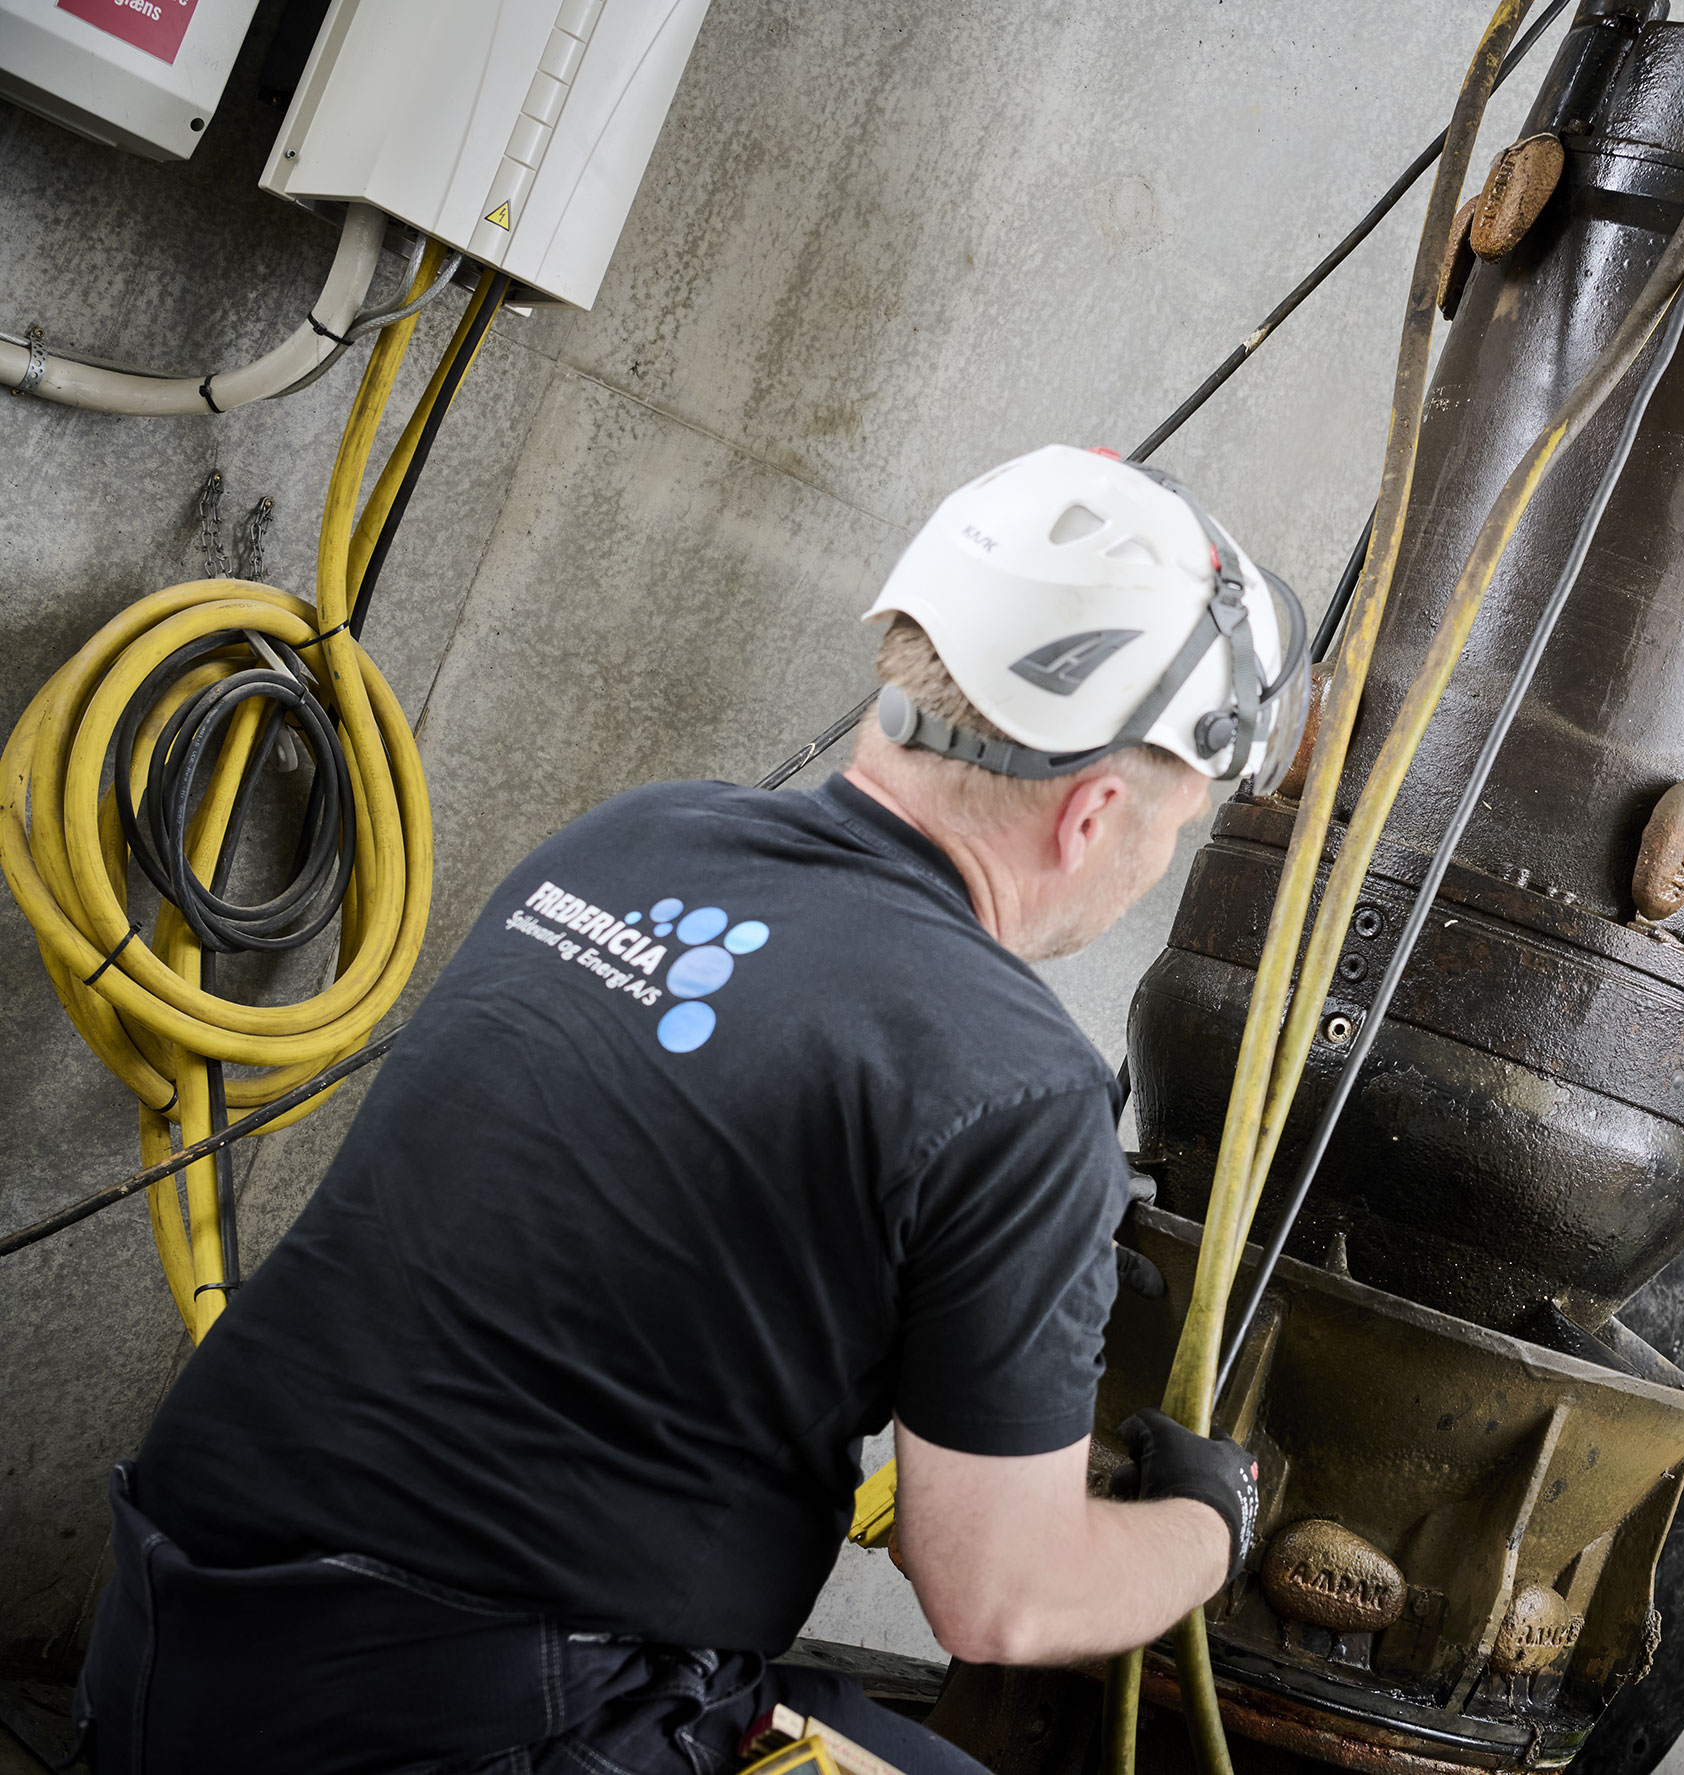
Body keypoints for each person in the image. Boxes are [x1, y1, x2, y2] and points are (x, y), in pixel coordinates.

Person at [76, 444, 1308, 1775]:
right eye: (1171, 833)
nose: (1147, 866)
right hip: (472, 1719)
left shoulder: (634, 837)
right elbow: (1007, 1597)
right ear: (1094, 811)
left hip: (174, 1646)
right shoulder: (1013, 1084)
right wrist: (1209, 1521)